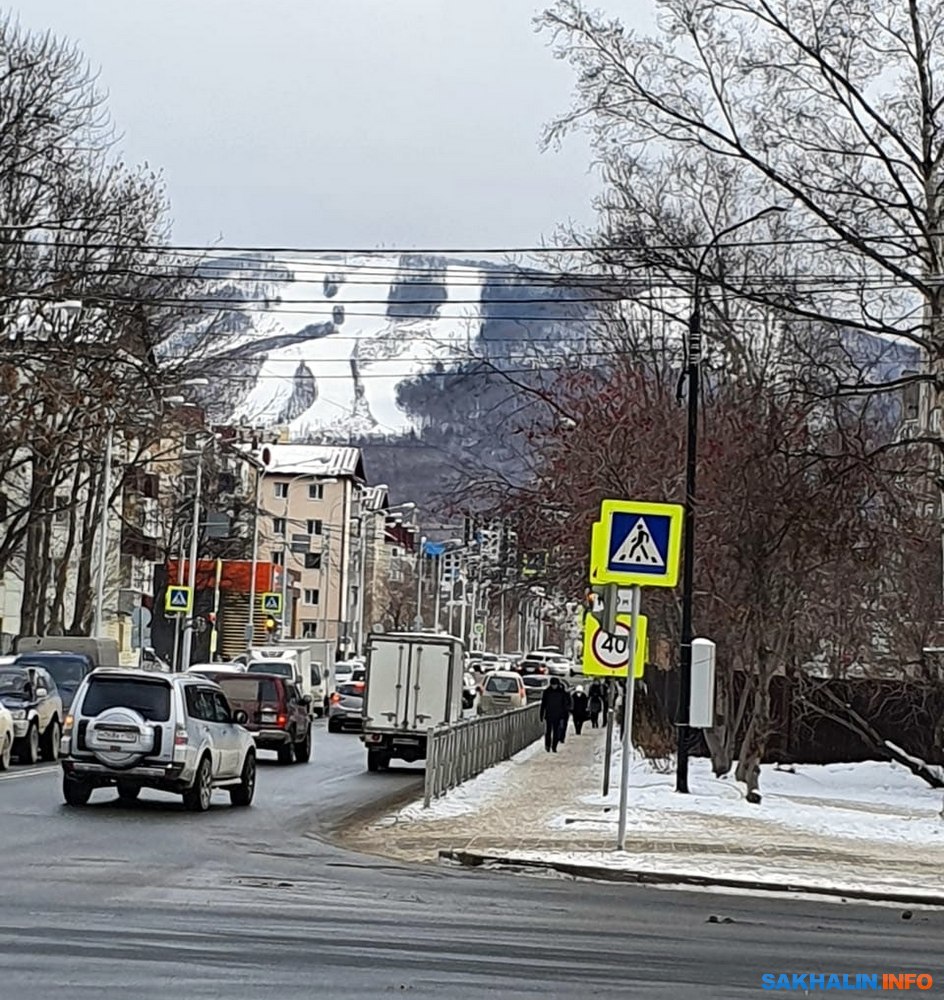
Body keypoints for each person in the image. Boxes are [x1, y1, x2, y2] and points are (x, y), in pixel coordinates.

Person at [540, 676, 570, 752]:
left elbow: (565, 705)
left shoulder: (562, 692)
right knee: (548, 732)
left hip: (558, 715)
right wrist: (541, 714)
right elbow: (543, 704)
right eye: (553, 685)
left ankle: (554, 747)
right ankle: (547, 745)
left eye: (555, 685)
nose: (554, 686)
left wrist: (564, 715)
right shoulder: (547, 692)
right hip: (549, 714)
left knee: (556, 732)